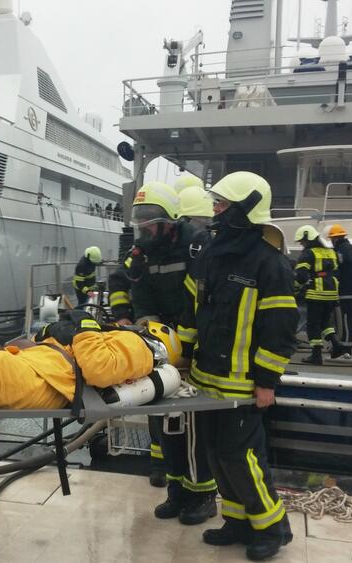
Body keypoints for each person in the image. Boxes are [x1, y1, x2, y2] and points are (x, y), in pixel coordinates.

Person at [177, 171, 298, 561]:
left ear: (245, 210)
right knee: (216, 453)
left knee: (240, 456)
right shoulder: (213, 252)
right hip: (205, 379)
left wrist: (267, 382)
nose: (215, 209)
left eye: (223, 203)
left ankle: (271, 526)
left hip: (244, 384)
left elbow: (279, 330)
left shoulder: (270, 263)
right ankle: (237, 521)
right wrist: (182, 354)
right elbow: (193, 308)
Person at [107, 181, 216, 524]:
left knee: (194, 425)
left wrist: (184, 343)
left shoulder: (196, 246)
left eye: (150, 224)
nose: (145, 231)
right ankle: (177, 492)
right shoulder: (145, 252)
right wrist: (147, 332)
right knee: (165, 422)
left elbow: (200, 298)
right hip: (165, 343)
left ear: (169, 222)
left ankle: (202, 497)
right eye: (141, 225)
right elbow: (140, 294)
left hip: (197, 343)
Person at [0, 315, 177, 410]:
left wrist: (85, 325)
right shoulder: (113, 339)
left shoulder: (139, 347)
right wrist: (52, 332)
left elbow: (99, 369)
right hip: (35, 366)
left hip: (44, 379)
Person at [293, 225, 340, 365]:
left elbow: (301, 276)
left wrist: (295, 290)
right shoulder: (330, 252)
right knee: (325, 323)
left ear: (308, 239)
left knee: (313, 325)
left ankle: (316, 356)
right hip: (332, 293)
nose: (301, 244)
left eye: (302, 241)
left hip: (316, 293)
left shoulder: (308, 253)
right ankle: (336, 345)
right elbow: (337, 272)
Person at [328, 225, 352, 357]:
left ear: (335, 238)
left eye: (332, 239)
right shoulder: (344, 247)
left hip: (346, 291)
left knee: (345, 321)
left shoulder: (344, 248)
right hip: (344, 291)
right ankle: (340, 346)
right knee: (340, 320)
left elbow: (344, 260)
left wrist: (331, 257)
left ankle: (346, 348)